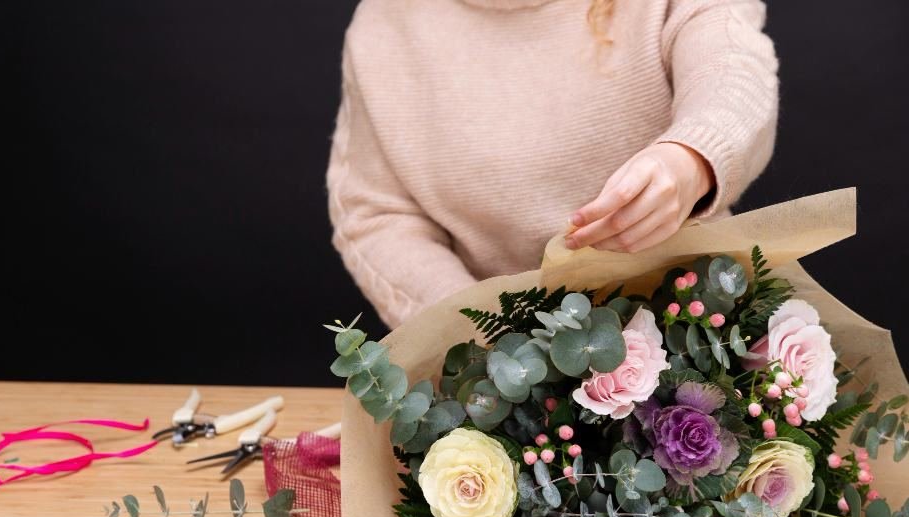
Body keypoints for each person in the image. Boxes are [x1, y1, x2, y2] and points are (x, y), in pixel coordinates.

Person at [327, 0, 778, 328]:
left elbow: (732, 71)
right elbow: (377, 214)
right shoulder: (385, 23)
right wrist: (477, 326)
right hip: (492, 387)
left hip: (695, 337)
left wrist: (688, 160)